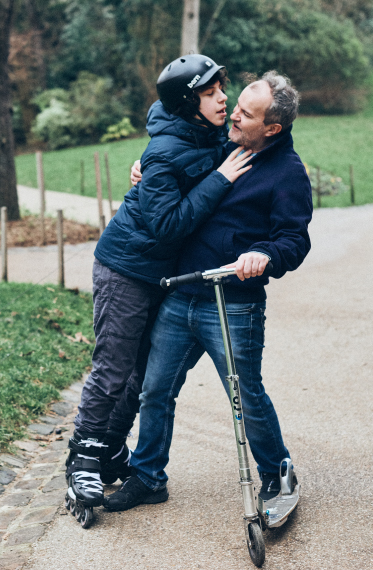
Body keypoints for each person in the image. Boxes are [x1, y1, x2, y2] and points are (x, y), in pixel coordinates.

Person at [104, 71, 313, 511]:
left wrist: (265, 256)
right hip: (182, 295)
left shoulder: (287, 173)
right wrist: (147, 170)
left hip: (234, 304)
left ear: (272, 128)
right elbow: (178, 166)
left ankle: (277, 474)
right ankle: (147, 476)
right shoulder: (223, 144)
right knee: (156, 389)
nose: (233, 113)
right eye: (235, 104)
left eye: (246, 113)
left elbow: (294, 240)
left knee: (246, 395)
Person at [65, 55, 254, 514]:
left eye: (220, 89)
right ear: (189, 103)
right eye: (210, 93)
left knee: (142, 375)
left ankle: (110, 448)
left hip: (161, 274)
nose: (222, 98)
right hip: (127, 268)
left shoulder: (205, 132)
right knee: (113, 367)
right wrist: (219, 178)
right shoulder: (166, 151)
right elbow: (168, 224)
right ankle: (82, 460)